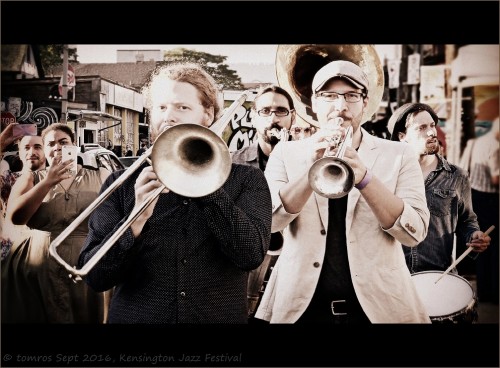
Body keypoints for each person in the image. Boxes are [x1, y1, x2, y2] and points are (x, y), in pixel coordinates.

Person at [78, 62, 272, 324]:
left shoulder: (246, 179)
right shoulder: (121, 183)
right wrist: (134, 222)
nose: (168, 116)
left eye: (182, 107)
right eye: (161, 107)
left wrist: (206, 187)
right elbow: (96, 277)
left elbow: (250, 256)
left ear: (208, 115)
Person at [256, 60, 431, 324]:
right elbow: (268, 222)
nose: (341, 106)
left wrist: (366, 180)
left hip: (379, 309)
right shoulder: (286, 152)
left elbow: (414, 233)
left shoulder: (399, 154)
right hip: (301, 308)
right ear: (314, 103)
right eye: (329, 96)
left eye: (351, 95)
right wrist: (309, 171)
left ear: (365, 102)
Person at [2, 123, 111, 323]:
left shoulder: (100, 174)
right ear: (45, 148)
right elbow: (15, 217)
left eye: (63, 142)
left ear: (75, 145)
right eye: (51, 144)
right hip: (40, 264)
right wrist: (47, 182)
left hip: (85, 262)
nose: (57, 148)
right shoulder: (31, 178)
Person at [388, 102, 491, 274]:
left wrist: (474, 236)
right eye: (421, 127)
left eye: (432, 125)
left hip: (438, 277)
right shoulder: (388, 175)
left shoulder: (457, 176)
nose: (431, 132)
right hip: (395, 277)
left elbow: (467, 221)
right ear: (402, 136)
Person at [231, 84, 295, 320]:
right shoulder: (233, 163)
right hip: (246, 272)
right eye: (265, 111)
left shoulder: (308, 161)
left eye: (281, 111)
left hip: (293, 270)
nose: (273, 118)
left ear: (292, 117)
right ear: (253, 117)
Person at [459, 117, 499, 303]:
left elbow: (462, 169)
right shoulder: (496, 147)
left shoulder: (475, 143)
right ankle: (493, 291)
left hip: (474, 196)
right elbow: (495, 179)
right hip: (491, 200)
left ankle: (484, 290)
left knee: (481, 244)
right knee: (493, 246)